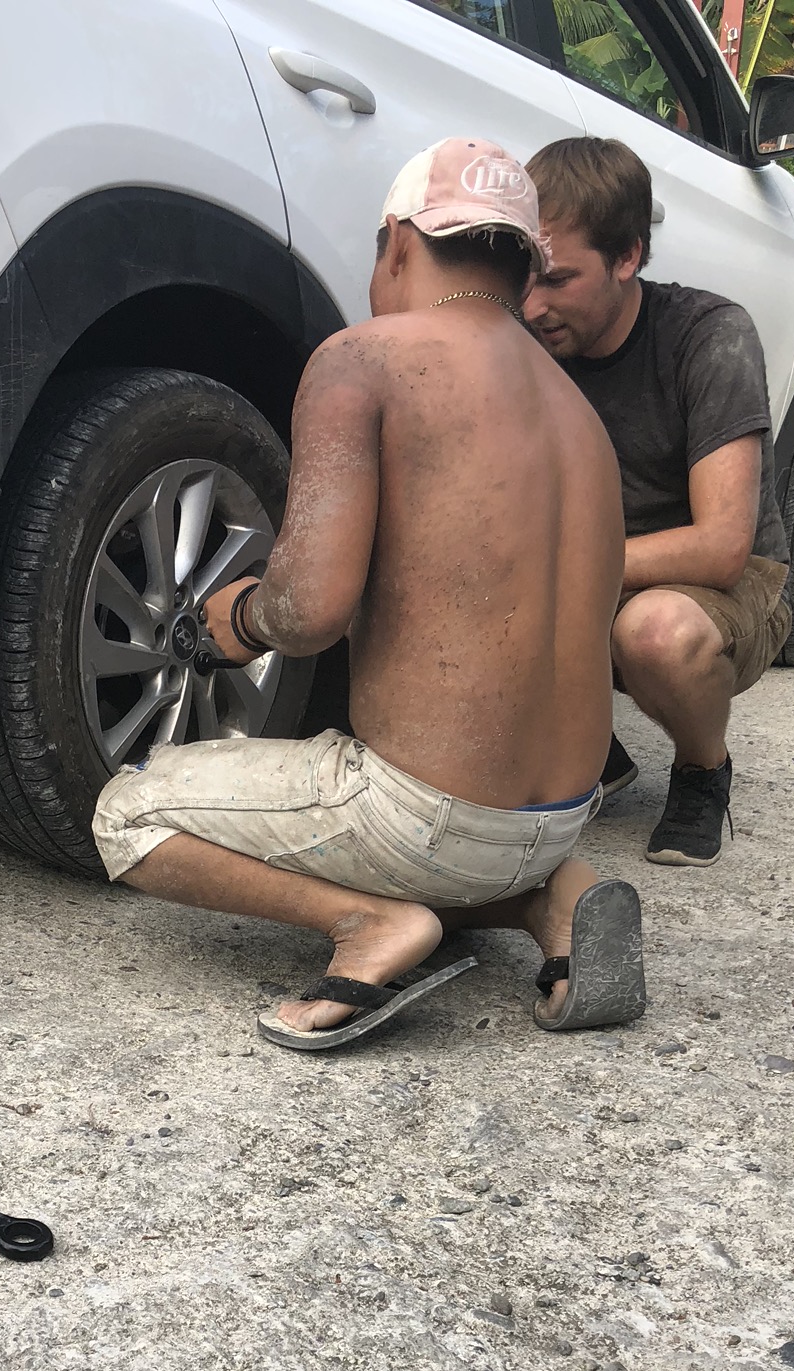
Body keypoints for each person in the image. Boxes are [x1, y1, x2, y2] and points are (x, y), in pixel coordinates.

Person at [91, 137, 645, 1052]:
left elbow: (309, 612)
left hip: (426, 820)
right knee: (460, 838)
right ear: (523, 265)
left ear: (398, 243)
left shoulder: (365, 358)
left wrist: (239, 618)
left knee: (127, 814)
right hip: (562, 816)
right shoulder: (576, 410)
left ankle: (370, 923)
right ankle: (548, 899)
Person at [524, 136, 791, 868]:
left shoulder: (710, 337)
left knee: (655, 634)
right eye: (524, 276)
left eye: (558, 279)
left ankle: (703, 769)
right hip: (588, 570)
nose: (532, 305)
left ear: (628, 257)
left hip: (717, 587)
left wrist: (559, 565)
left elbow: (722, 547)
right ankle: (594, 752)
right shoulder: (524, 339)